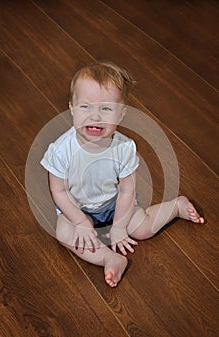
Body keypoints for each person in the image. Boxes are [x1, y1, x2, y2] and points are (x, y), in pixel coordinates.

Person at [41, 61, 204, 287]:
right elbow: (58, 191)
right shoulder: (61, 150)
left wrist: (118, 226)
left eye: (106, 109)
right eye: (85, 107)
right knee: (65, 233)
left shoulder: (124, 148)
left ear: (121, 114)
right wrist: (79, 220)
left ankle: (175, 206)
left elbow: (127, 190)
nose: (95, 116)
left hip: (115, 204)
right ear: (71, 108)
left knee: (143, 229)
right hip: (77, 207)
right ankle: (110, 258)